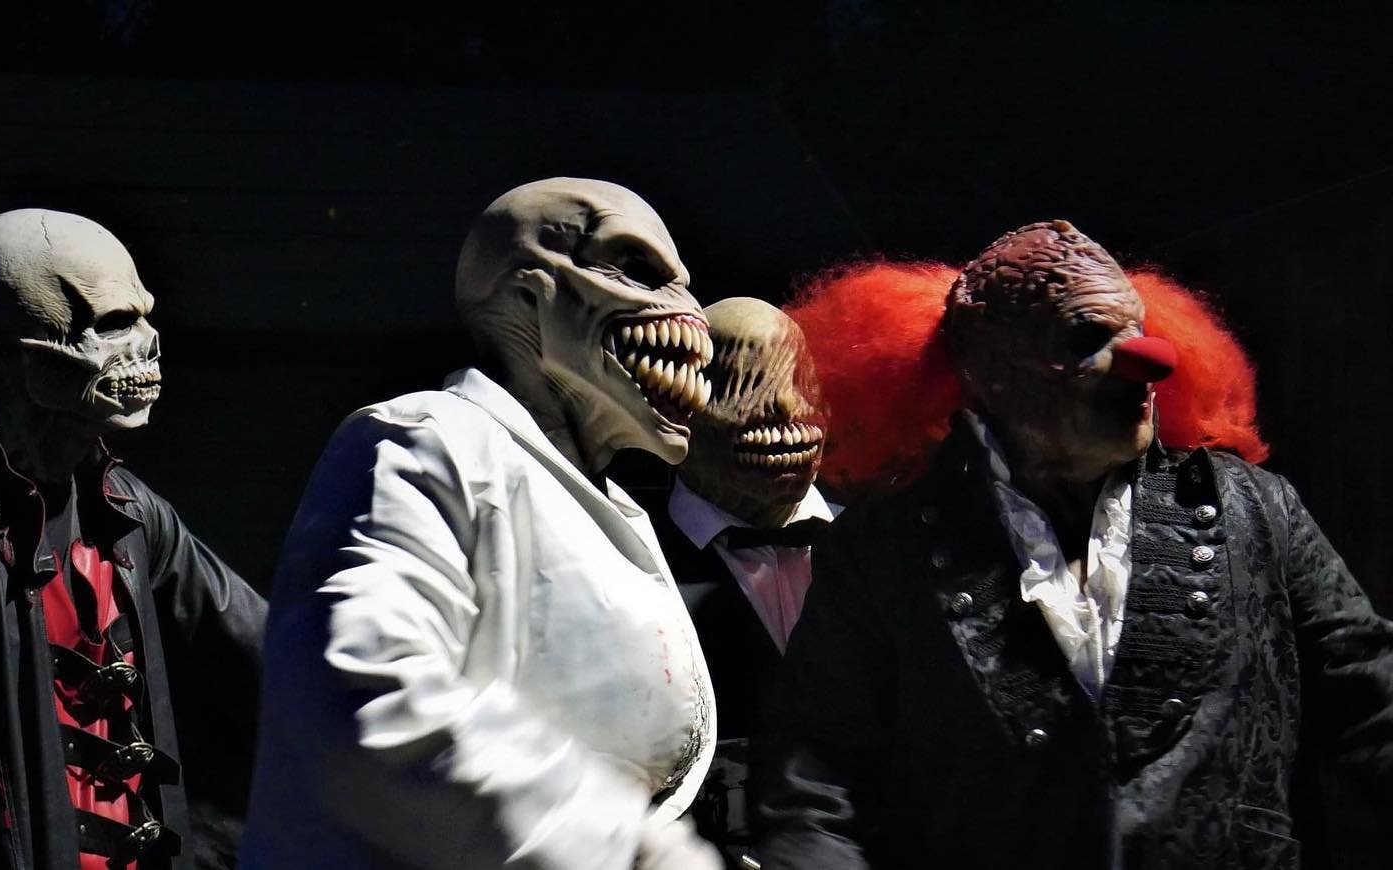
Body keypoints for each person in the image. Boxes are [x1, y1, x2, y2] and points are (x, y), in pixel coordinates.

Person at [753, 221, 1393, 869]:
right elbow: (817, 785)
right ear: (988, 371)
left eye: (1137, 332)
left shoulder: (1255, 509)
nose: (1148, 362)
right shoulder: (884, 549)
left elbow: (1372, 699)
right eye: (1088, 337)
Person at [241, 178, 723, 870]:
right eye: (637, 271)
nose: (690, 315)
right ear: (527, 295)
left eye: (685, 286)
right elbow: (370, 698)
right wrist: (631, 848)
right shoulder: (422, 439)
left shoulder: (605, 500)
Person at [0, 209, 266, 869]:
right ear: (11, 357)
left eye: (145, 317)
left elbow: (270, 654)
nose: (150, 343)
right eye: (115, 323)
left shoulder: (127, 512)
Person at [640, 297, 833, 865]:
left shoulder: (888, 548)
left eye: (801, 383)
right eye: (740, 386)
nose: (786, 409)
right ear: (675, 406)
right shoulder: (621, 561)